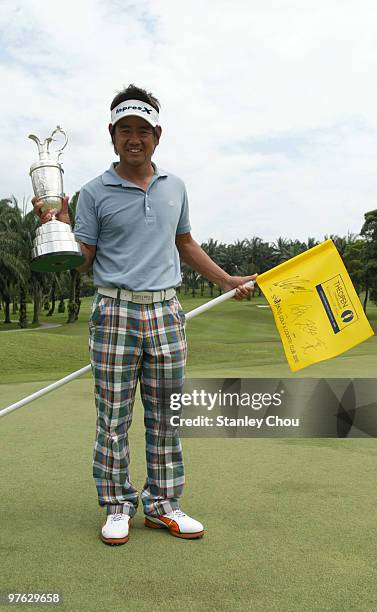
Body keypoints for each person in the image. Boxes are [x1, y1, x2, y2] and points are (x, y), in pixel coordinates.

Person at [33, 84, 256, 546]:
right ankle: (117, 505)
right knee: (112, 418)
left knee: (165, 417)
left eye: (143, 131)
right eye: (124, 131)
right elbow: (85, 258)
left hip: (166, 313)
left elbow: (186, 243)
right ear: (111, 135)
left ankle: (162, 505)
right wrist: (55, 227)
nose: (134, 139)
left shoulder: (175, 187)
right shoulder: (94, 192)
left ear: (158, 134)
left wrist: (225, 279)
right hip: (114, 311)